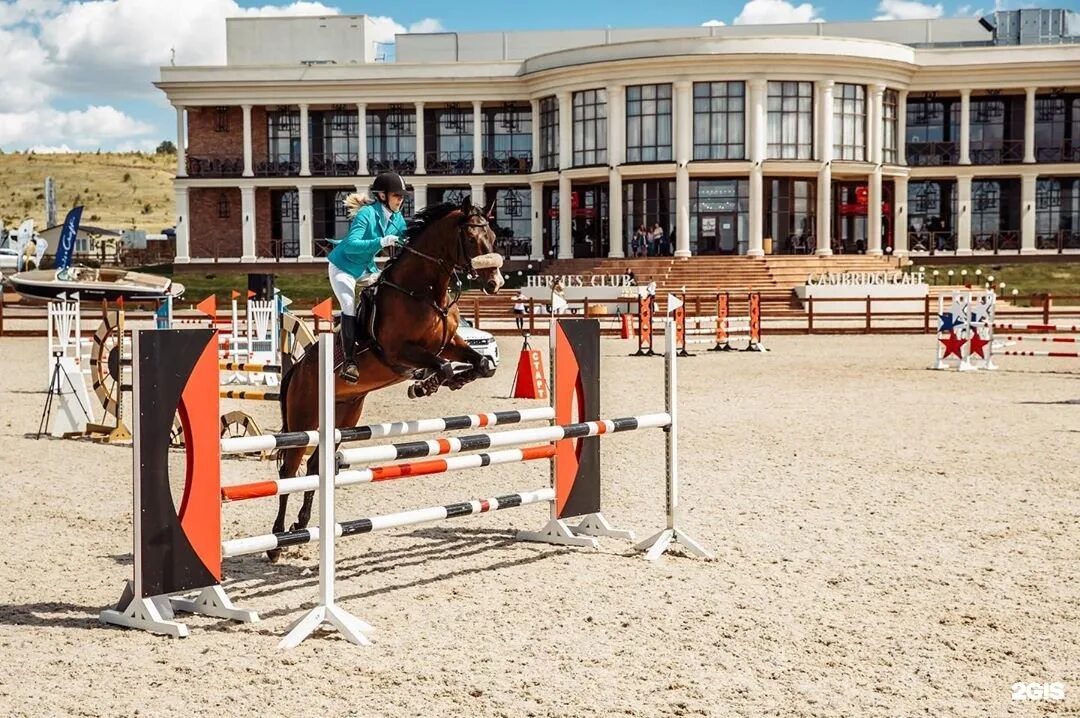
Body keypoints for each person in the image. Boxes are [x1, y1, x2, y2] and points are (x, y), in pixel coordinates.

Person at [326, 171, 410, 383]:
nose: (400, 199)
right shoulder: (366, 214)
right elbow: (353, 246)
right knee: (347, 303)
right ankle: (349, 361)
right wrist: (381, 242)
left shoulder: (397, 218)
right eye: (397, 195)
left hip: (365, 266)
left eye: (401, 196)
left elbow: (406, 241)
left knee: (387, 290)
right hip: (343, 266)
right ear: (383, 196)